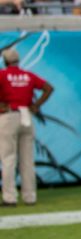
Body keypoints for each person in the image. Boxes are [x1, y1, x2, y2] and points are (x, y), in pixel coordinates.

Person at [0, 47, 53, 207]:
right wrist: (36, 105)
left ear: (5, 61)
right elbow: (48, 88)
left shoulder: (2, 75)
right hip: (26, 116)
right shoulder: (28, 75)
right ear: (18, 60)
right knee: (27, 160)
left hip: (9, 115)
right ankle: (30, 197)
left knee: (8, 159)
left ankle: (10, 197)